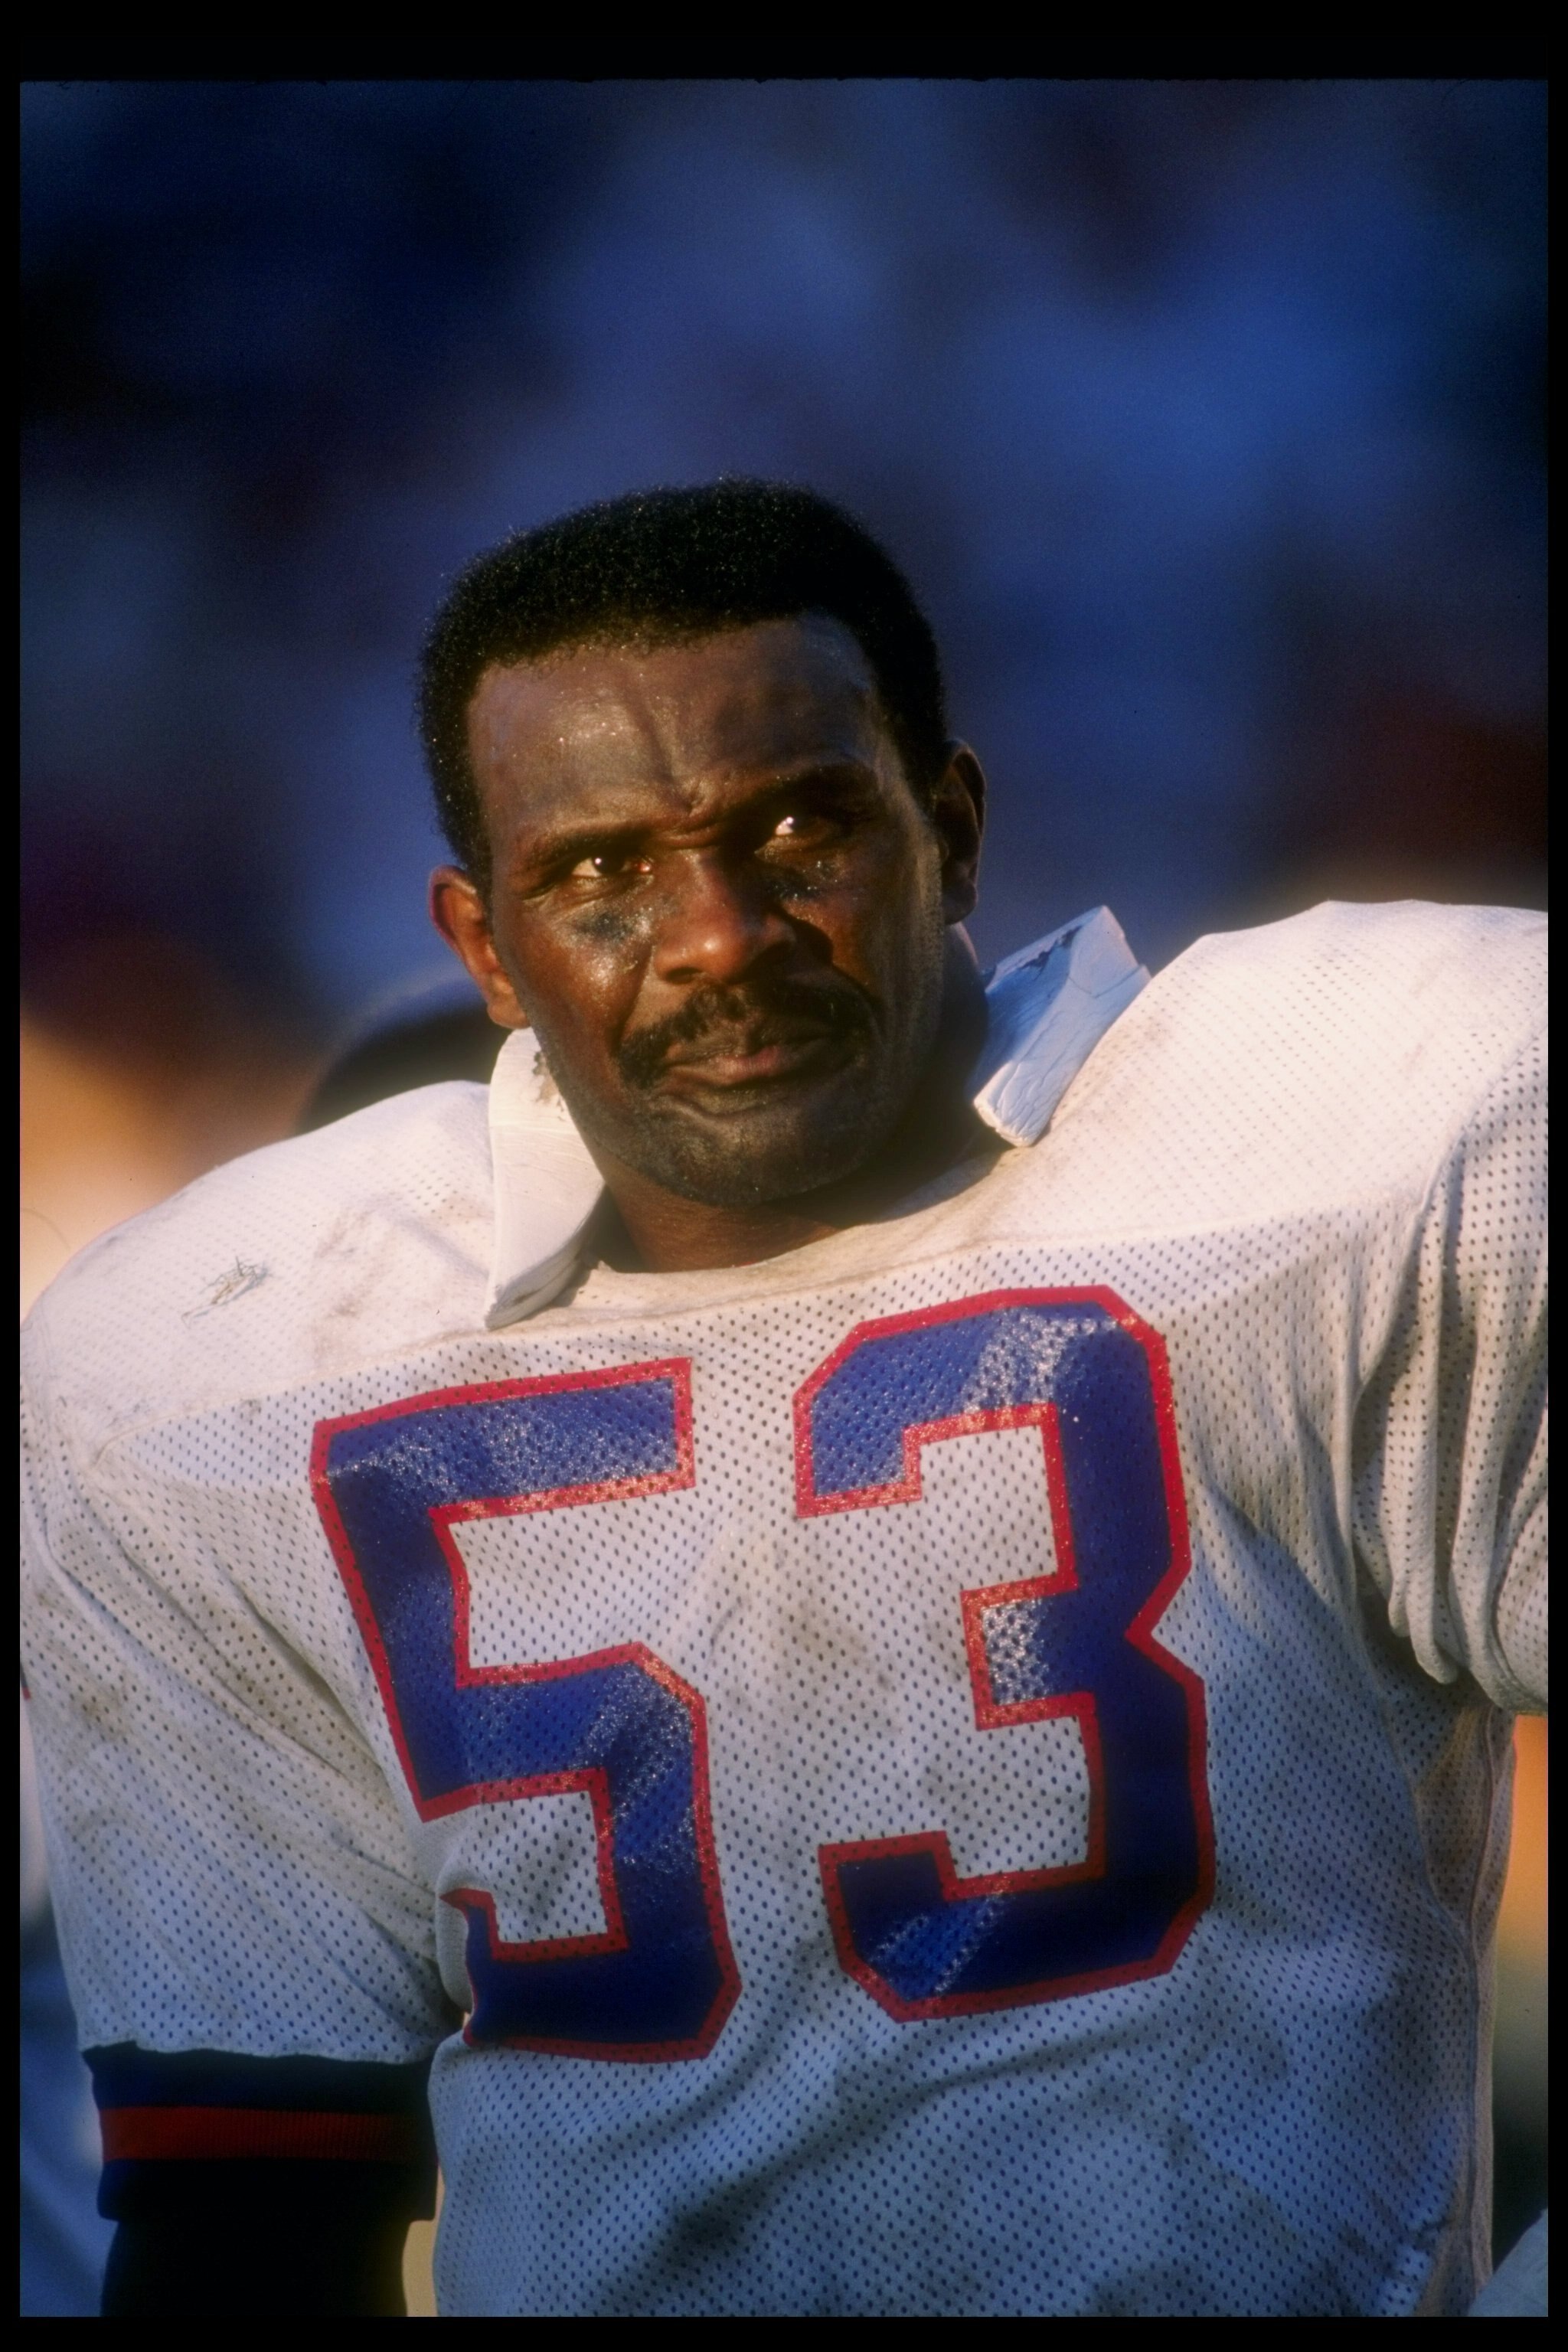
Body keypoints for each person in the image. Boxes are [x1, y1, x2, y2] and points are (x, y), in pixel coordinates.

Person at [21, 483, 1545, 2318]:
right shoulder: (220, 1373)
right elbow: (252, 2214)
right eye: (600, 875)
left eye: (801, 827)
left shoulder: (1358, 1134)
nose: (720, 935)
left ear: (954, 829)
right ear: (483, 946)